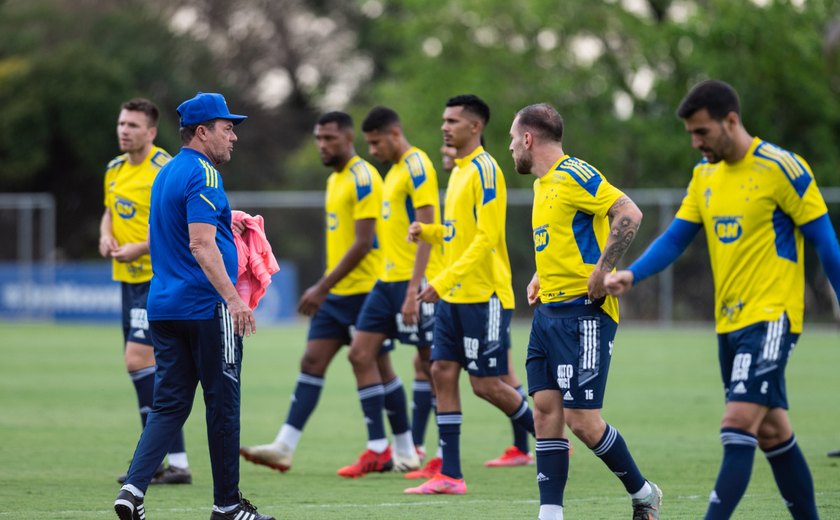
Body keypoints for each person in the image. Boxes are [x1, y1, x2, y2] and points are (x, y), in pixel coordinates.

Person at [606, 79, 840, 520]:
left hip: (772, 319)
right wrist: (632, 274)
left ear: (730, 121)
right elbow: (677, 237)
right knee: (772, 432)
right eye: (691, 134)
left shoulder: (783, 168)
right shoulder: (704, 175)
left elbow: (826, 244)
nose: (696, 143)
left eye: (702, 132)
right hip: (728, 324)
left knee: (737, 425)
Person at [113, 92, 273, 520]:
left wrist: (227, 217)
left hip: (163, 307)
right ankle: (227, 506)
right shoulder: (204, 172)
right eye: (226, 128)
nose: (233, 136)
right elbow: (201, 245)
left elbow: (185, 226)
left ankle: (132, 490)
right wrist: (235, 299)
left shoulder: (166, 172)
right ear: (202, 132)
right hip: (205, 307)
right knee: (223, 402)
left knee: (168, 405)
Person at [508, 103, 661, 520]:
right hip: (548, 316)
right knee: (543, 411)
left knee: (582, 421)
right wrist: (541, 273)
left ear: (528, 139)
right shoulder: (542, 186)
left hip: (584, 316)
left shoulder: (576, 172)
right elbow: (565, 238)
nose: (509, 149)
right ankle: (550, 514)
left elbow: (628, 212)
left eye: (511, 139)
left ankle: (644, 493)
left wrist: (604, 269)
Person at [239, 111, 402, 475]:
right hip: (336, 294)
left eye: (329, 138)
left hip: (366, 291)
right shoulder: (335, 180)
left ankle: (394, 448)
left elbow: (363, 244)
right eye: (318, 138)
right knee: (312, 361)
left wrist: (320, 286)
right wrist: (328, 288)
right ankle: (284, 446)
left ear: (348, 139)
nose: (322, 145)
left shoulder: (364, 177)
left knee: (376, 364)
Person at [404, 94, 535, 495]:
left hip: (485, 296)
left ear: (475, 127)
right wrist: (428, 232)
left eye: (453, 121)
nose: (445, 126)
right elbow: (459, 235)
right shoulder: (459, 172)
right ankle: (452, 475)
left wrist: (441, 281)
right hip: (455, 295)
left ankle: (551, 439)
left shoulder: (486, 170)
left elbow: (486, 239)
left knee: (487, 385)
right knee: (440, 371)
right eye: (444, 120)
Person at [335, 106, 441, 478]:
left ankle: (442, 453)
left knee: (434, 366)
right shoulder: (393, 172)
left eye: (376, 142)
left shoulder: (417, 166)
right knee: (360, 354)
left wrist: (415, 289)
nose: (373, 150)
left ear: (394, 134)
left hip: (416, 280)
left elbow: (429, 228)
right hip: (386, 280)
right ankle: (381, 449)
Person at [99, 98, 191, 485]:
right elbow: (109, 210)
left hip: (157, 279)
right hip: (127, 279)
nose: (125, 130)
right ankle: (174, 462)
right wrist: (105, 235)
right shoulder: (114, 169)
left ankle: (155, 458)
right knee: (154, 369)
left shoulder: (165, 168)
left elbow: (181, 223)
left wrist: (140, 247)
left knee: (138, 360)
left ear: (151, 132)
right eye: (122, 123)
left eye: (133, 125)